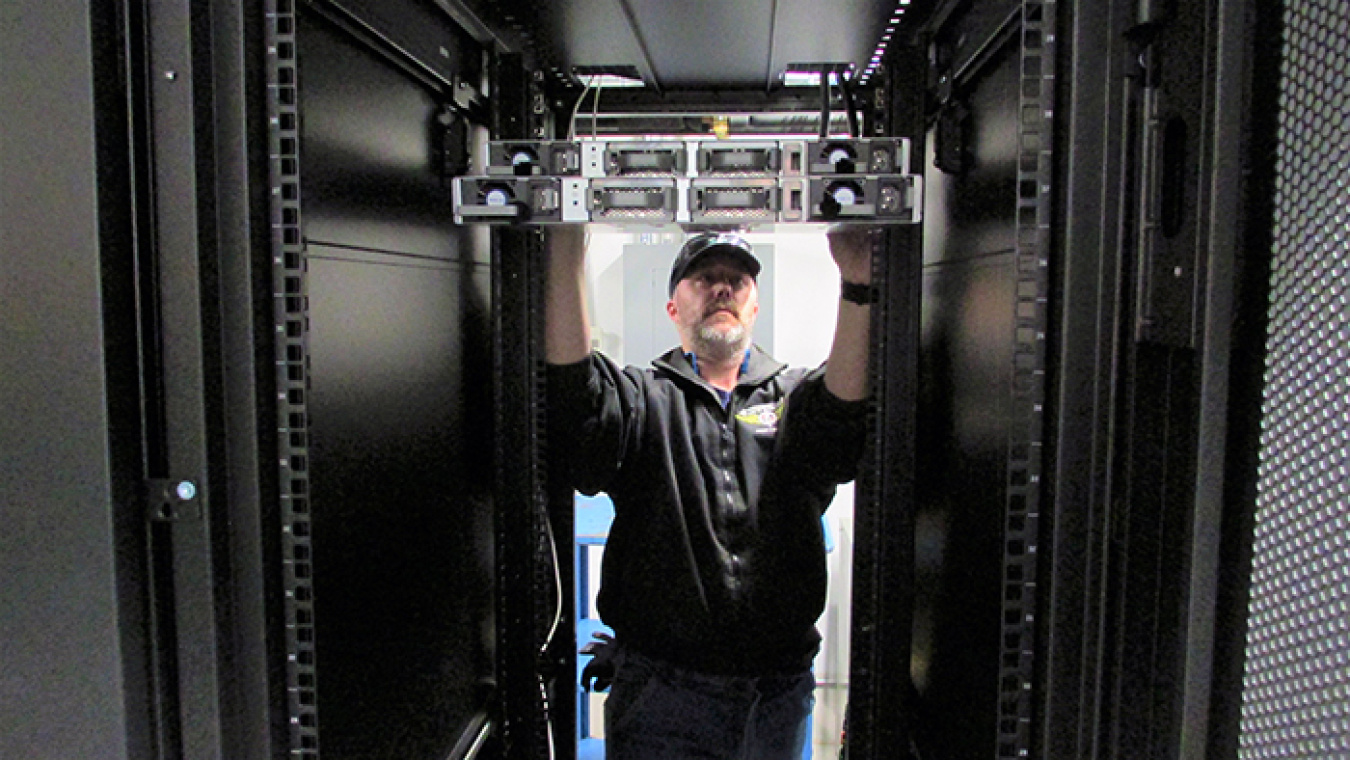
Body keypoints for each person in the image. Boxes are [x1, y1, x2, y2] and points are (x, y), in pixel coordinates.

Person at [545, 226, 877, 759]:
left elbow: (842, 417)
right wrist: (565, 256)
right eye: (704, 278)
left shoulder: (793, 400)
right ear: (674, 308)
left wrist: (858, 282)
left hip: (776, 696)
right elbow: (579, 408)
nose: (722, 288)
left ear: (754, 308)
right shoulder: (643, 398)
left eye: (737, 280)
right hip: (662, 698)